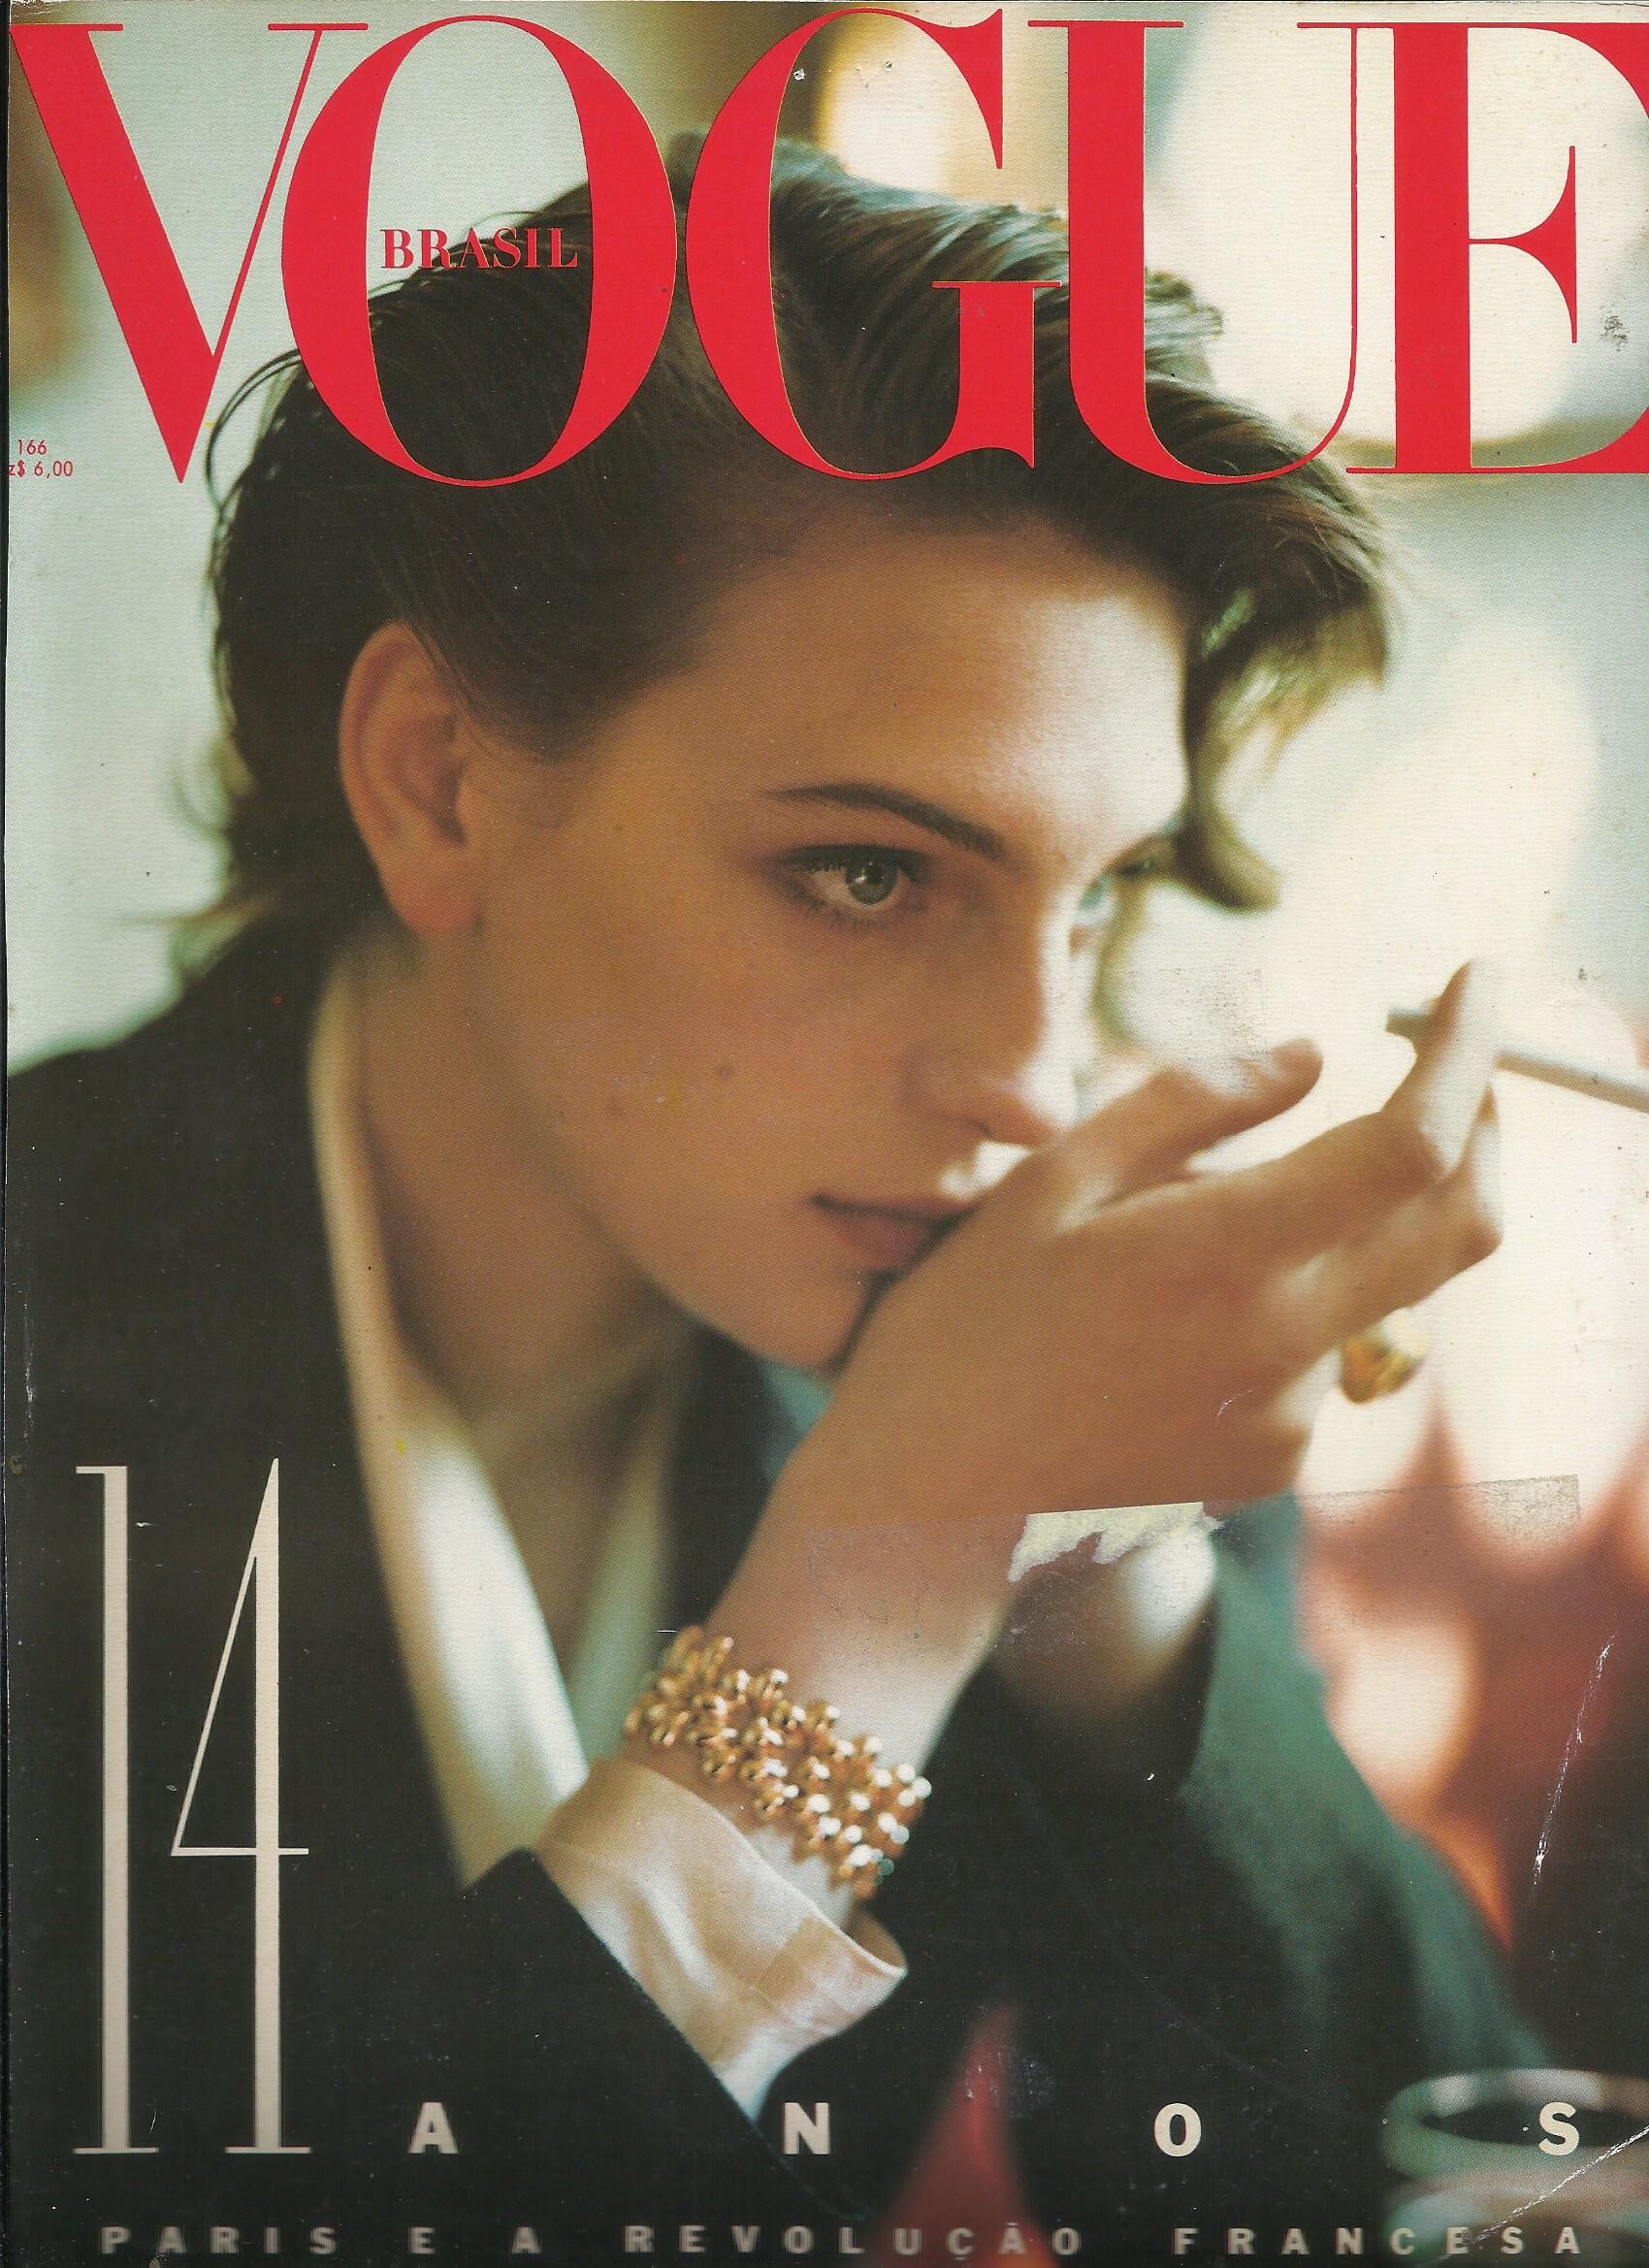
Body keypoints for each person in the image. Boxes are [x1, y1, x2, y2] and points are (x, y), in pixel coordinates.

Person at [5, 140, 1538, 2261]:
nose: (1028, 1080)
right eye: (870, 871)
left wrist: (1094, 1573)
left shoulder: (1034, 1322)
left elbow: (1445, 2187)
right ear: (439, 778)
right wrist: (876, 1578)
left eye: (1092, 898)